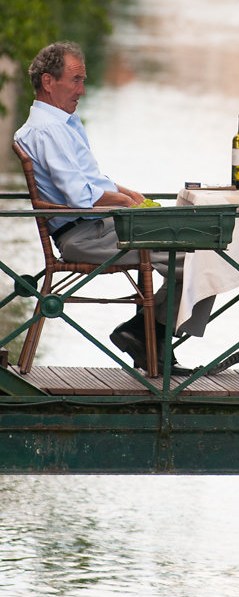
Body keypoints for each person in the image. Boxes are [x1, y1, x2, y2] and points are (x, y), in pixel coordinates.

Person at [14, 41, 191, 374]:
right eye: (75, 80)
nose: (82, 89)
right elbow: (81, 196)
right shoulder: (50, 129)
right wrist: (125, 202)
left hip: (93, 227)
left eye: (83, 80)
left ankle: (147, 335)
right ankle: (149, 335)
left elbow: (92, 181)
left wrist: (127, 194)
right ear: (49, 82)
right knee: (199, 254)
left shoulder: (60, 123)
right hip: (83, 234)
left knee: (196, 247)